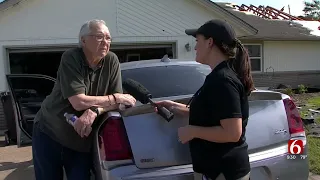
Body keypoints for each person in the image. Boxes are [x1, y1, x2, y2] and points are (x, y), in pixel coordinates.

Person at [32, 19, 136, 180]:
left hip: (81, 140)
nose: (105, 42)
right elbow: (78, 102)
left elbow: (118, 104)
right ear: (83, 40)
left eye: (108, 38)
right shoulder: (71, 57)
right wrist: (115, 97)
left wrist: (95, 110)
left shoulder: (112, 60)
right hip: (49, 132)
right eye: (99, 37)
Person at [156, 19, 254, 180]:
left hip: (224, 172)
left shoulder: (223, 80)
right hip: (217, 170)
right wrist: (172, 106)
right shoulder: (218, 77)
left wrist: (192, 131)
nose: (195, 47)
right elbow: (211, 115)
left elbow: (232, 133)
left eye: (197, 41)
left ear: (210, 42)